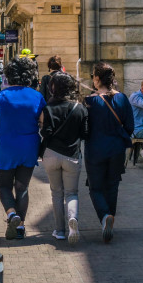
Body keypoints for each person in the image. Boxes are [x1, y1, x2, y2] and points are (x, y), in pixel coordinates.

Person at [0, 56, 45, 240]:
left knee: (5, 187)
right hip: (29, 146)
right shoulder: (37, 96)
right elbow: (43, 124)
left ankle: (11, 215)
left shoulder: (1, 96)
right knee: (22, 188)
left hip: (6, 147)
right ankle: (21, 226)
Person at [84, 61, 135, 243]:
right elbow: (130, 126)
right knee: (112, 186)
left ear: (97, 79)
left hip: (95, 149)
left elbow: (85, 129)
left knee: (95, 187)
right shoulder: (122, 98)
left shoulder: (89, 101)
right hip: (116, 149)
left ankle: (105, 217)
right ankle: (110, 217)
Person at [40, 71, 88, 244]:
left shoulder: (48, 107)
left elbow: (45, 132)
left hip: (51, 154)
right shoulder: (79, 108)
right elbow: (85, 133)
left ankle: (59, 231)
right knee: (72, 193)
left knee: (56, 193)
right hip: (72, 155)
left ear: (53, 87)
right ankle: (72, 220)